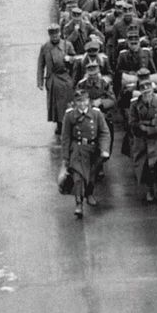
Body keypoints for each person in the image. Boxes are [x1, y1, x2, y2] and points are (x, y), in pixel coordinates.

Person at [61, 89, 111, 218]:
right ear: (74, 102)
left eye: (84, 101)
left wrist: (104, 149)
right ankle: (79, 204)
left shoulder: (96, 114)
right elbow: (65, 137)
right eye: (78, 101)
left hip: (93, 149)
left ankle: (89, 193)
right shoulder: (70, 115)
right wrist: (65, 158)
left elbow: (104, 132)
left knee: (91, 175)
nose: (82, 104)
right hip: (77, 149)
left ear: (88, 101)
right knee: (78, 177)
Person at [129, 68, 157, 204]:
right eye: (144, 91)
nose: (147, 93)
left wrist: (151, 129)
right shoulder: (135, 104)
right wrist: (142, 128)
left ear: (153, 90)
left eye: (149, 91)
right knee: (145, 166)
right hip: (142, 139)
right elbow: (132, 122)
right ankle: (149, 190)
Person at [37, 23, 75, 136]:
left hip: (65, 78)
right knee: (56, 105)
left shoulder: (67, 45)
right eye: (52, 35)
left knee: (67, 103)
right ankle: (60, 125)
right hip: (52, 79)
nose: (55, 36)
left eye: (56, 34)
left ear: (60, 34)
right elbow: (40, 65)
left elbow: (76, 61)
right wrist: (40, 82)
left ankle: (67, 124)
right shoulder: (45, 47)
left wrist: (71, 59)